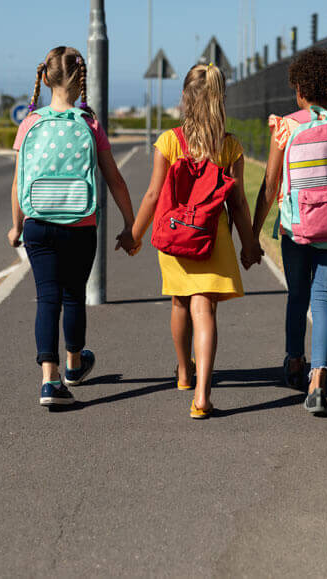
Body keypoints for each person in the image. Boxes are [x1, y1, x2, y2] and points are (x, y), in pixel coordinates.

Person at [128, 63, 263, 419]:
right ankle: (202, 395)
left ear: (185, 98)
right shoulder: (230, 146)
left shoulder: (170, 141)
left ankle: (184, 373)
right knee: (204, 309)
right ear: (220, 100)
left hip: (175, 235)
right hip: (212, 237)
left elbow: (153, 195)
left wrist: (134, 235)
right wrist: (249, 246)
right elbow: (238, 203)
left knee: (179, 303)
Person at [8, 46, 137, 407]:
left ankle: (48, 382)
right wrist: (130, 225)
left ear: (45, 78)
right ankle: (74, 365)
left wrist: (16, 225)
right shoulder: (89, 123)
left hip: (38, 223)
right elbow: (115, 180)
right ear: (82, 81)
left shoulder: (30, 123)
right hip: (80, 223)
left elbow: (19, 182)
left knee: (47, 297)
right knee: (73, 295)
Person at [251, 47, 327, 414]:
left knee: (298, 295)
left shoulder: (287, 126)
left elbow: (271, 183)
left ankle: (293, 362)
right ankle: (319, 378)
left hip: (297, 227)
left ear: (300, 88)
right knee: (324, 299)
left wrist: (252, 233)